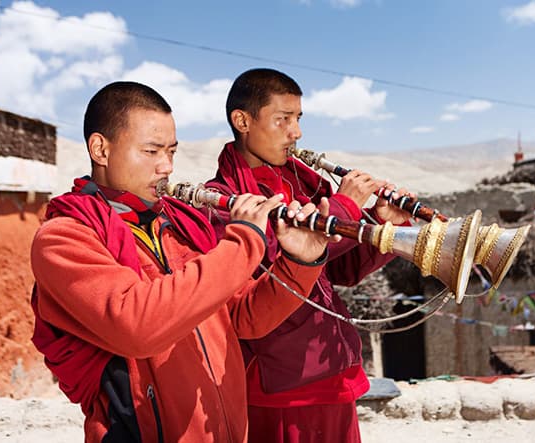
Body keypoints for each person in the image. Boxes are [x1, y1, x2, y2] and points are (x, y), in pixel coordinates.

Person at [29, 80, 336, 442]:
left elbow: (243, 316)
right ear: (100, 149)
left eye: (171, 151)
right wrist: (244, 242)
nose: (166, 167)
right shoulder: (65, 237)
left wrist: (300, 260)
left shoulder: (180, 223)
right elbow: (138, 326)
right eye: (151, 151)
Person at [205, 68, 415, 443]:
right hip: (281, 381)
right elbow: (275, 258)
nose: (296, 132)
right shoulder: (223, 200)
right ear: (242, 121)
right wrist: (346, 206)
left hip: (331, 367)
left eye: (298, 118)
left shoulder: (298, 183)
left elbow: (340, 270)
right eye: (282, 119)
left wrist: (381, 226)